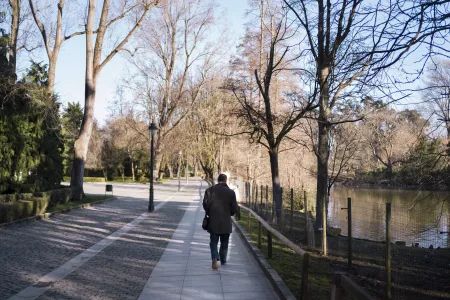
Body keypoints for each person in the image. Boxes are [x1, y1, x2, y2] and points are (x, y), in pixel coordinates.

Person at [203, 174, 238, 270]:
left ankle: (214, 257)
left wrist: (210, 212)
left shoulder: (209, 190)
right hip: (226, 221)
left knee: (213, 242)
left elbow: (205, 205)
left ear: (217, 180)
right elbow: (235, 208)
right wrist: (229, 213)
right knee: (224, 242)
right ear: (225, 180)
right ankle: (223, 259)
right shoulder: (231, 192)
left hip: (213, 221)